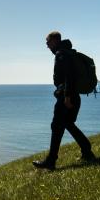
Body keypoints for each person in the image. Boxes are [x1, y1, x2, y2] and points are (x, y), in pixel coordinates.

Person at [33, 31, 95, 170]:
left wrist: (66, 97)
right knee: (67, 123)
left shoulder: (62, 54)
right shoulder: (68, 52)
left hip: (67, 97)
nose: (47, 46)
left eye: (48, 42)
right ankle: (87, 150)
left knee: (56, 126)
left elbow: (69, 77)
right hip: (73, 95)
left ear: (55, 41)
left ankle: (51, 161)